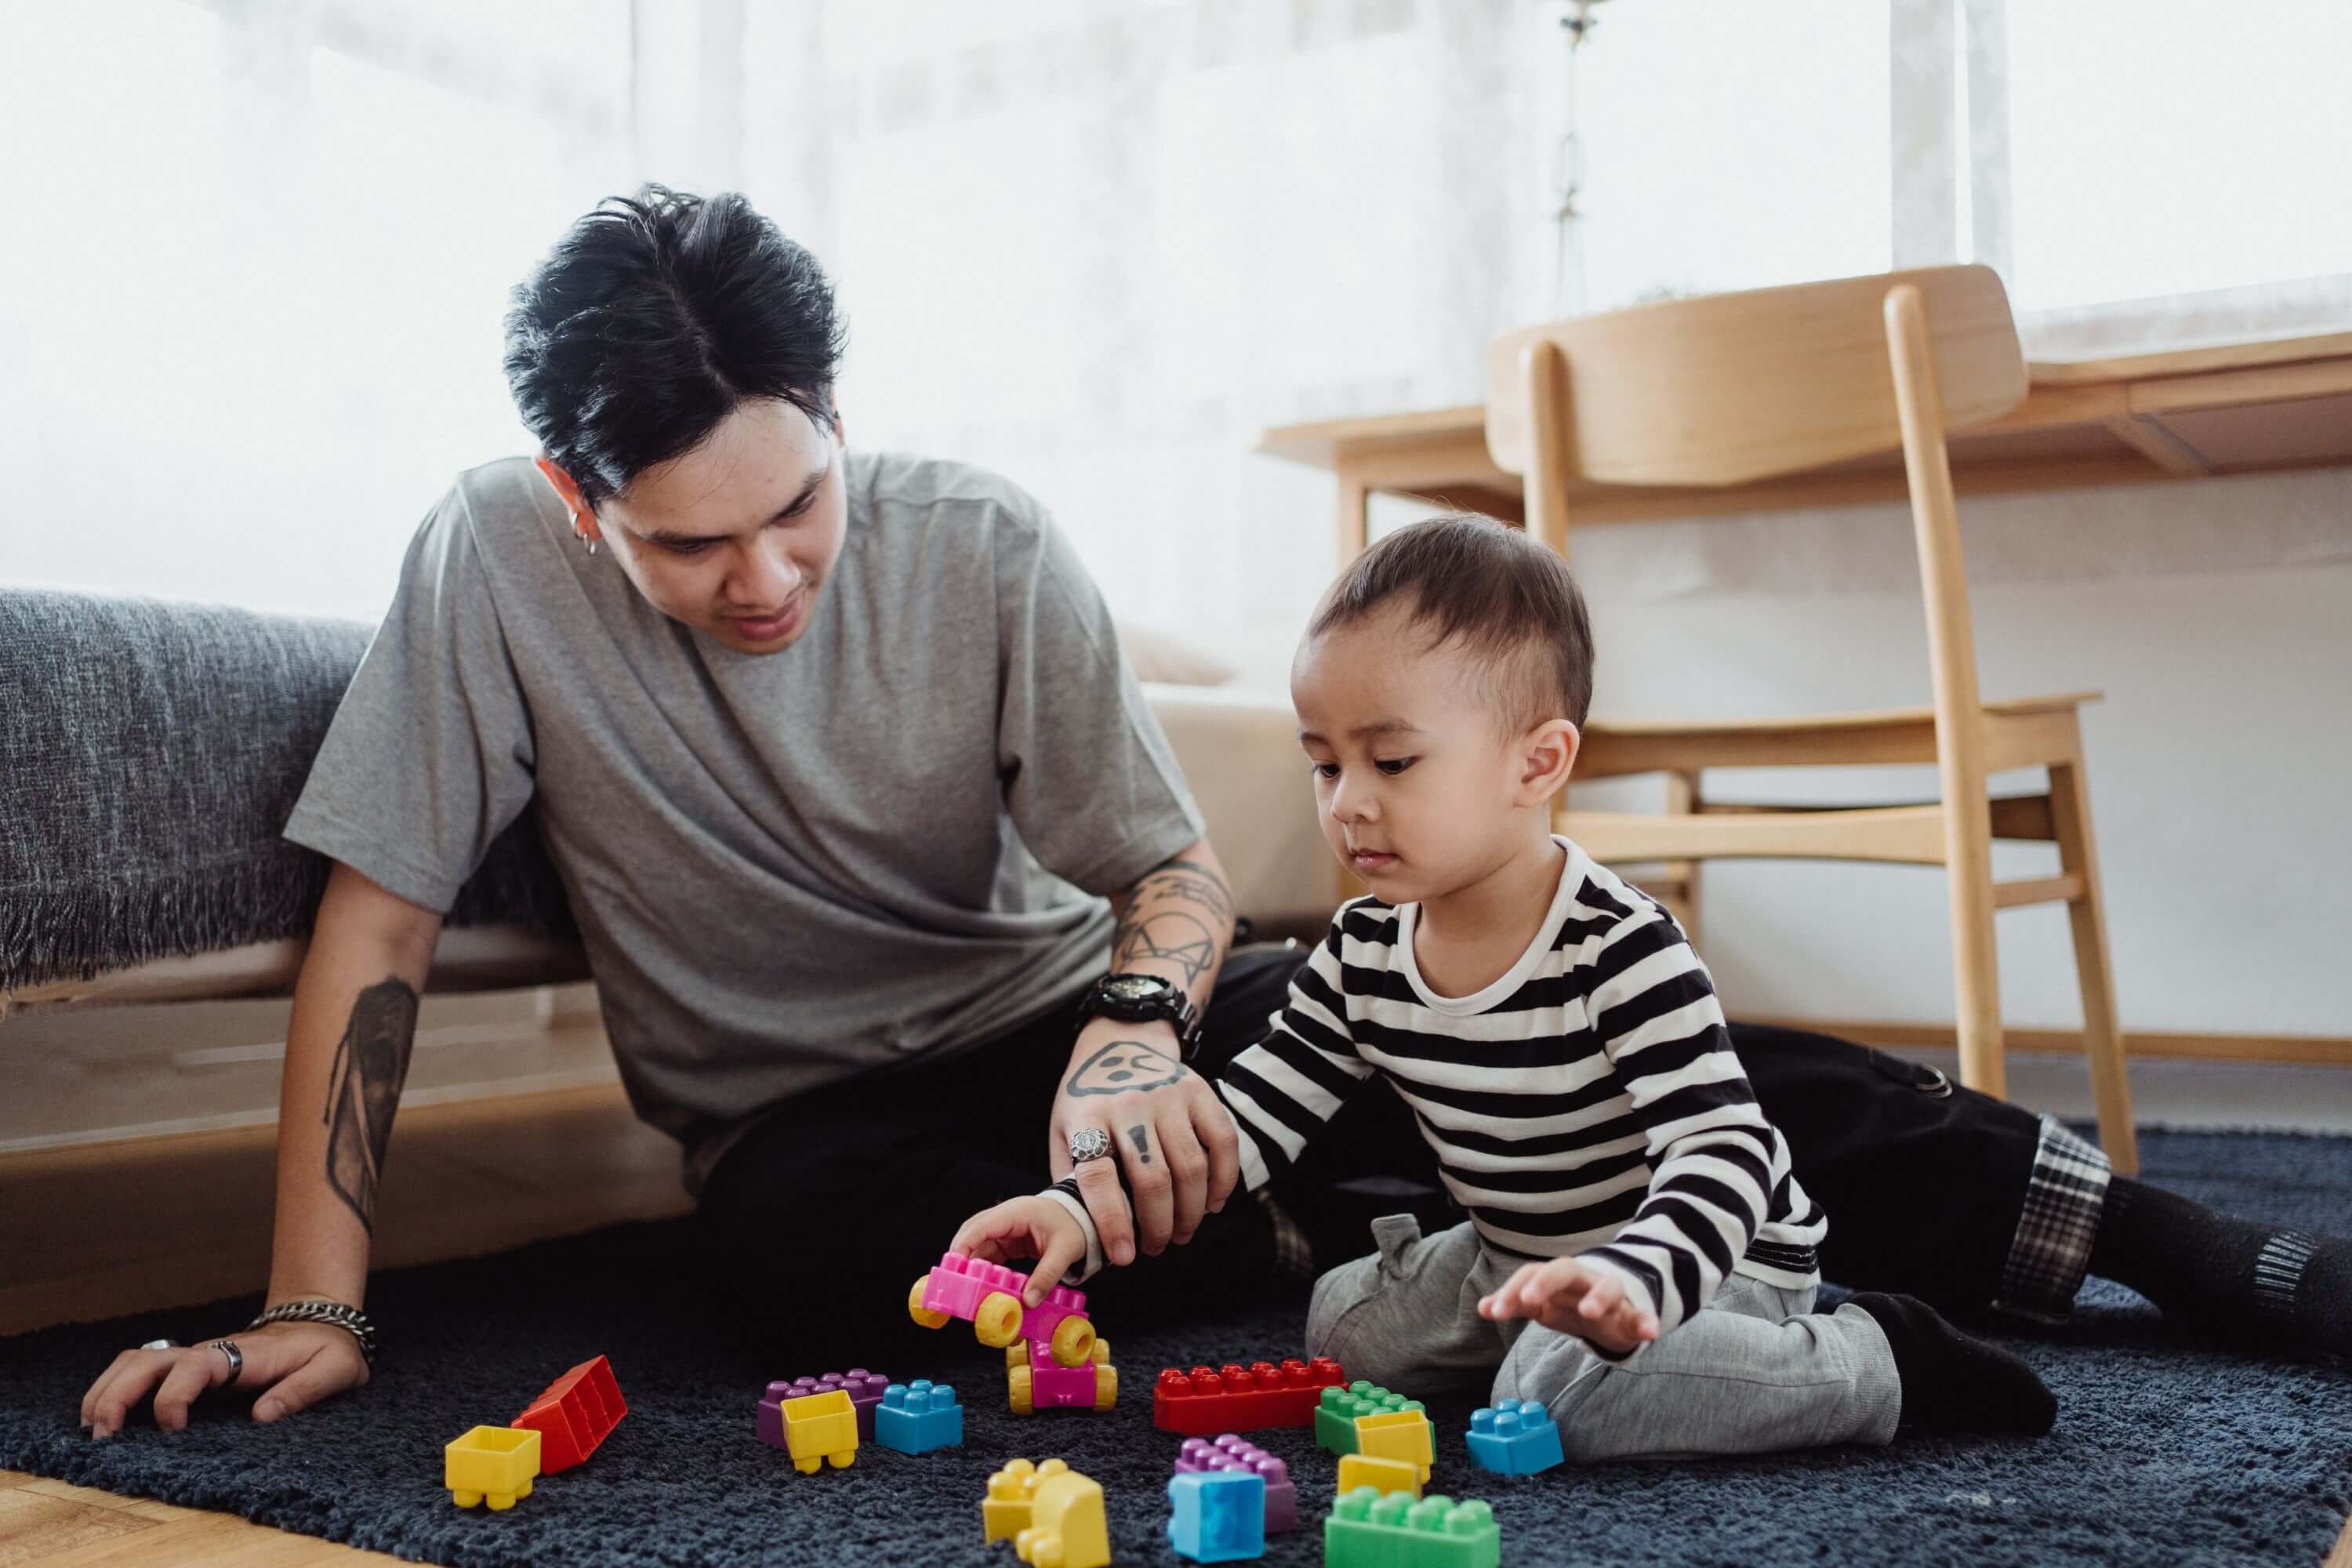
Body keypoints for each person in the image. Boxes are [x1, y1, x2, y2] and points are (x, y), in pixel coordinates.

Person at [75, 190, 2343, 1443]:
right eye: (690, 549)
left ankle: (2118, 1230)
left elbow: (1164, 869)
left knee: (1557, 1029)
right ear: (578, 503)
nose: (765, 581)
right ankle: (1301, 1231)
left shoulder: (977, 544)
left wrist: (1142, 1038)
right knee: (761, 1274)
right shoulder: (482, 567)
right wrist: (320, 1301)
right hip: (817, 1128)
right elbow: (370, 935)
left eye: (798, 507)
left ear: (840, 426)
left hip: (1094, 1023)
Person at [956, 516, 2072, 1459]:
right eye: (1323, 761)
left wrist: (1637, 1277)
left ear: (1537, 763)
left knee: (1559, 1396)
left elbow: (1727, 1151)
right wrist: (1073, 1215)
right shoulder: (1360, 955)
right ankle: (1542, 1327)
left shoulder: (1617, 945)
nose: (1346, 801)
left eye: (1390, 763)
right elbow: (1245, 1127)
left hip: (1702, 1261)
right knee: (1344, 1327)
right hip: (1516, 1251)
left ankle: (1876, 1363)